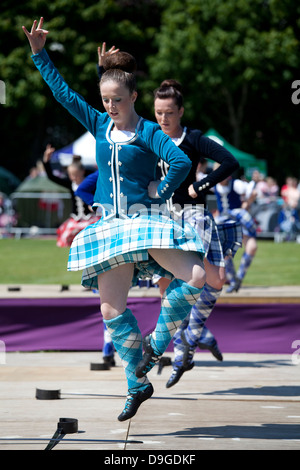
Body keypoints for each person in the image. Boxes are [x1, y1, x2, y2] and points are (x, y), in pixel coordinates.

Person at [23, 18, 207, 422]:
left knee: (196, 274)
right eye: (105, 99)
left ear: (134, 96)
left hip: (145, 219)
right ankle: (137, 384)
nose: (110, 106)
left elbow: (179, 161)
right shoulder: (100, 124)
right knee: (110, 309)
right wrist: (39, 55)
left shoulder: (148, 131)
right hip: (111, 227)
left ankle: (155, 345)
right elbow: (64, 95)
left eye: (117, 100)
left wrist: (161, 190)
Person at [152, 79, 242, 387]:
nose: (163, 119)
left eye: (169, 113)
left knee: (215, 279)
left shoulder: (193, 138)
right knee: (167, 289)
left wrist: (200, 185)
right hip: (162, 221)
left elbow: (231, 162)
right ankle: (181, 353)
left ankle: (194, 333)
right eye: (158, 113)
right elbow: (114, 117)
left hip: (195, 216)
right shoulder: (149, 137)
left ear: (180, 112)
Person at [42, 144, 100, 247]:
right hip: (76, 218)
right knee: (65, 237)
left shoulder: (90, 183)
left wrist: (93, 204)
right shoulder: (70, 184)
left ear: (83, 172)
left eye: (76, 175)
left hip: (90, 218)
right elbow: (52, 177)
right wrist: (47, 161)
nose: (74, 178)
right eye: (71, 175)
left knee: (94, 236)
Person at [212, 170, 258, 293]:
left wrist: (246, 204)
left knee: (252, 247)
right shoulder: (213, 183)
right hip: (224, 221)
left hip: (239, 218)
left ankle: (238, 278)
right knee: (225, 252)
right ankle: (233, 281)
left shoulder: (235, 184)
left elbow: (253, 192)